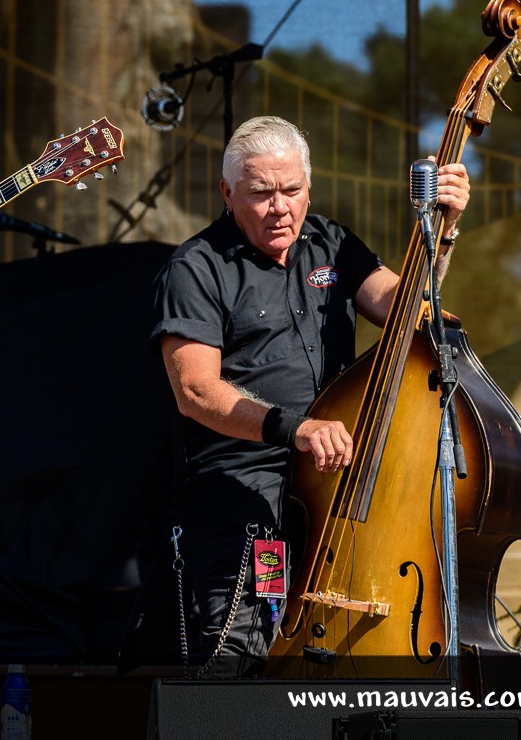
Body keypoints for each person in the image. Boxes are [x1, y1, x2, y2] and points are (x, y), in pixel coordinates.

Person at [141, 115, 469, 676]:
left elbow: (405, 310)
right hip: (248, 495)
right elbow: (195, 390)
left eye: (291, 190)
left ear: (308, 187)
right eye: (261, 193)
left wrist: (442, 231)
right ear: (227, 193)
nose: (280, 207)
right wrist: (293, 427)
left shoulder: (332, 242)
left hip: (335, 487)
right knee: (236, 661)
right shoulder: (195, 267)